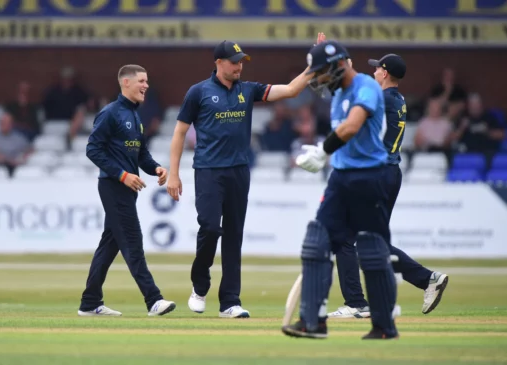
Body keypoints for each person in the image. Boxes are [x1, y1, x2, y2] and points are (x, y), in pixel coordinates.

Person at [167, 36, 324, 318]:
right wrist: (174, 175)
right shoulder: (198, 92)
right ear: (219, 63)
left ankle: (230, 302)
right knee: (211, 229)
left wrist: (314, 62)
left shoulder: (248, 90)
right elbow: (179, 133)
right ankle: (200, 286)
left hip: (239, 171)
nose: (240, 67)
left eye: (242, 62)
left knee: (233, 237)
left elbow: (289, 90)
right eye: (234, 62)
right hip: (208, 171)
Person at [281, 40, 398, 340]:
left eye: (321, 71)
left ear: (339, 65)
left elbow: (351, 126)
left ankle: (383, 327)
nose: (318, 78)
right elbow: (340, 131)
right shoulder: (338, 94)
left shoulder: (366, 87)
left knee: (372, 251)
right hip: (341, 178)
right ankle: (313, 323)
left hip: (368, 177)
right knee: (316, 243)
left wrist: (322, 152)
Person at [327, 54, 449, 320]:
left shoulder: (381, 100)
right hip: (390, 173)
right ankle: (428, 279)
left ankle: (356, 303)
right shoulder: (396, 99)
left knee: (345, 237)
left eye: (376, 69)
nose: (373, 73)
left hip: (375, 175)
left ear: (384, 73)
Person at [78, 64, 176, 317]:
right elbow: (92, 149)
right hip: (113, 186)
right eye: (142, 81)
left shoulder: (134, 115)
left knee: (109, 245)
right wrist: (122, 175)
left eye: (147, 81)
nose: (146, 85)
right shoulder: (110, 113)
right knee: (132, 241)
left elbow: (140, 154)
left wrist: (155, 169)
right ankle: (154, 300)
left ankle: (89, 302)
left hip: (124, 188)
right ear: (126, 83)